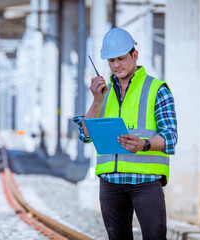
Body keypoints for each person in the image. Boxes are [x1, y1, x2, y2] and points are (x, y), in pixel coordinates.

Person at [74, 28, 177, 239]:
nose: (116, 65)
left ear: (135, 55)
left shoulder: (157, 89)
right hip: (111, 182)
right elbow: (85, 135)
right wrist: (96, 100)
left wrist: (144, 144)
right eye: (111, 61)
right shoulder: (103, 93)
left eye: (121, 58)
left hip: (145, 181)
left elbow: (170, 136)